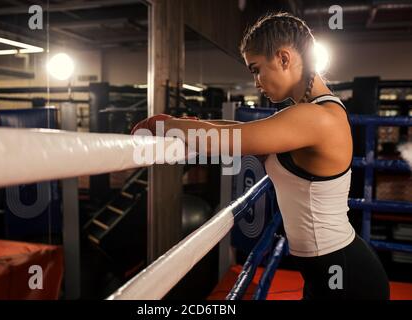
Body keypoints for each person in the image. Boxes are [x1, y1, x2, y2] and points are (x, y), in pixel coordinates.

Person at [132, 12, 390, 300]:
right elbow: (244, 129)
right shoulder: (308, 113)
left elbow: (230, 141)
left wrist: (161, 124)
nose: (256, 81)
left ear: (283, 58)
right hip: (328, 269)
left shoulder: (316, 117)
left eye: (256, 69)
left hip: (345, 276)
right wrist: (180, 122)